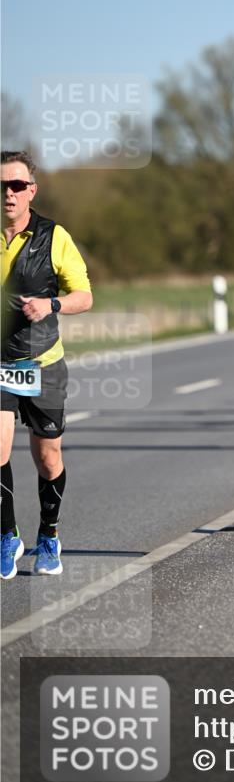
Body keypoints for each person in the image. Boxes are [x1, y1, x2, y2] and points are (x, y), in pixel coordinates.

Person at [1, 151, 93, 579]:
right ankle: (7, 535)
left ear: (31, 191)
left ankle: (49, 534)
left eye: (17, 185)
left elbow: (84, 296)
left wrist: (50, 303)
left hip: (42, 361)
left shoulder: (54, 237)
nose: (9, 194)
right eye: (2, 186)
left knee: (47, 457)